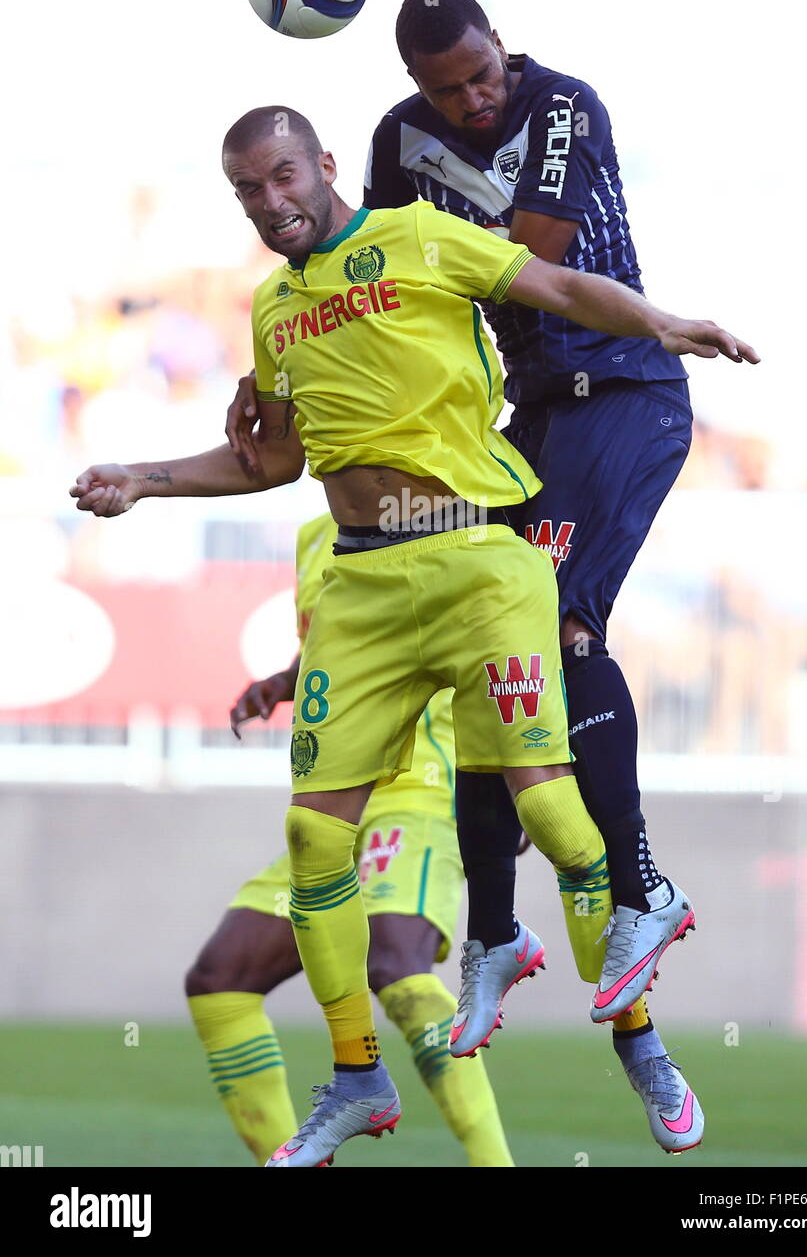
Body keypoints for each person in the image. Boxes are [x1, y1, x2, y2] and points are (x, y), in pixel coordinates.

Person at [71, 105, 755, 1166]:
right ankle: (355, 1075)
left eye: (283, 176)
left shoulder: (416, 234)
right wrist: (145, 479)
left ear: (325, 165)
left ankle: (640, 1035)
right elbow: (267, 462)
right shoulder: (271, 311)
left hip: (477, 556)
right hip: (363, 584)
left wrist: (659, 323)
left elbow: (561, 287)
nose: (271, 203)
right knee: (310, 840)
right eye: (248, 191)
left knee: (554, 813)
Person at [186, 512, 515, 1168]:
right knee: (219, 978)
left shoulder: (448, 509)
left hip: (422, 783)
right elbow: (341, 641)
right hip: (337, 797)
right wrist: (286, 679)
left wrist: (516, 781)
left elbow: (510, 643)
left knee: (394, 963)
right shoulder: (313, 534)